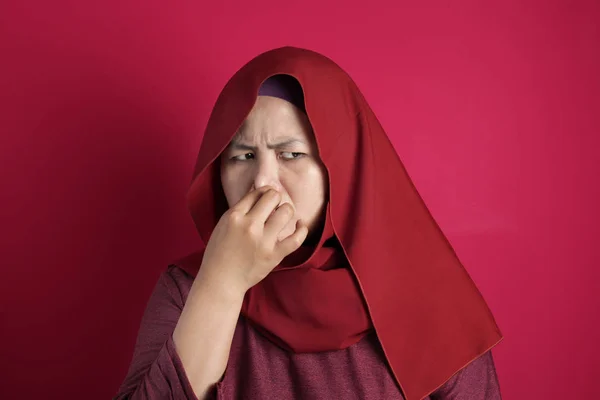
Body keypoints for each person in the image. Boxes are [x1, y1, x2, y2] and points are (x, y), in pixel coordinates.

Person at [115, 47, 503, 400]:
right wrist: (222, 282)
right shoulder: (186, 287)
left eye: (291, 154)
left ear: (342, 168)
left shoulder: (429, 300)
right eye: (243, 155)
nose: (263, 181)